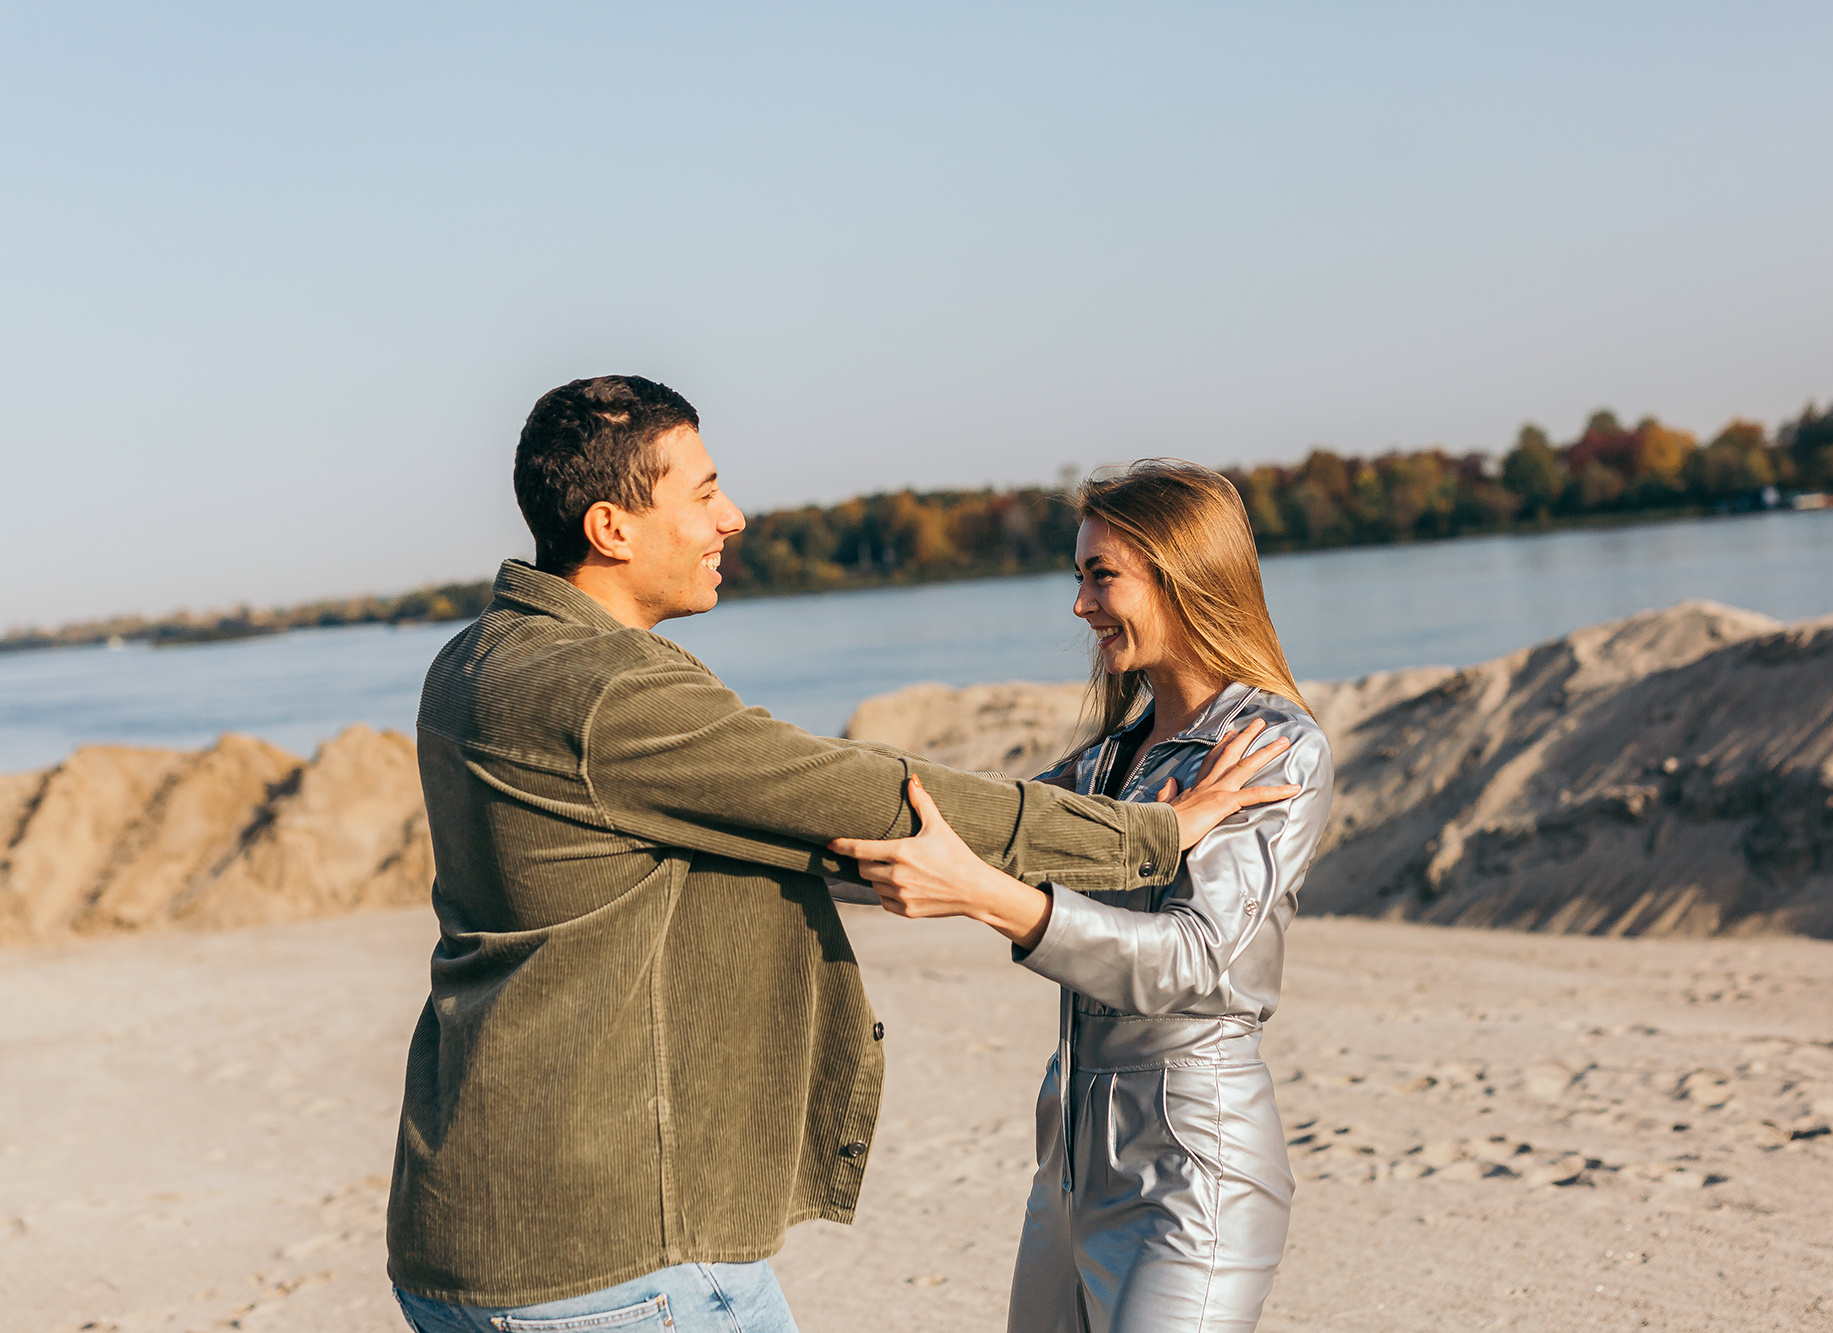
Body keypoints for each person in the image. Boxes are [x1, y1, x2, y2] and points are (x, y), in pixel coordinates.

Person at [385, 380, 1299, 1333]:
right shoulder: (607, 691)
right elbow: (865, 796)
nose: (730, 517)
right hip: (611, 1254)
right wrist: (1152, 833)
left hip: (469, 1233)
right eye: (702, 493)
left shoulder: (473, 661)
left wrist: (965, 874)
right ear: (612, 527)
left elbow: (790, 838)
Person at [831, 460, 1335, 1332]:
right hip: (1066, 1174)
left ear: (1186, 574)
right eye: (1080, 576)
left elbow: (1192, 959)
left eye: (1102, 575)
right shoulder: (1106, 761)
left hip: (1190, 1172)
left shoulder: (1273, 747)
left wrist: (988, 898)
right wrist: (750, 835)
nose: (1080, 605)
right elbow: (952, 833)